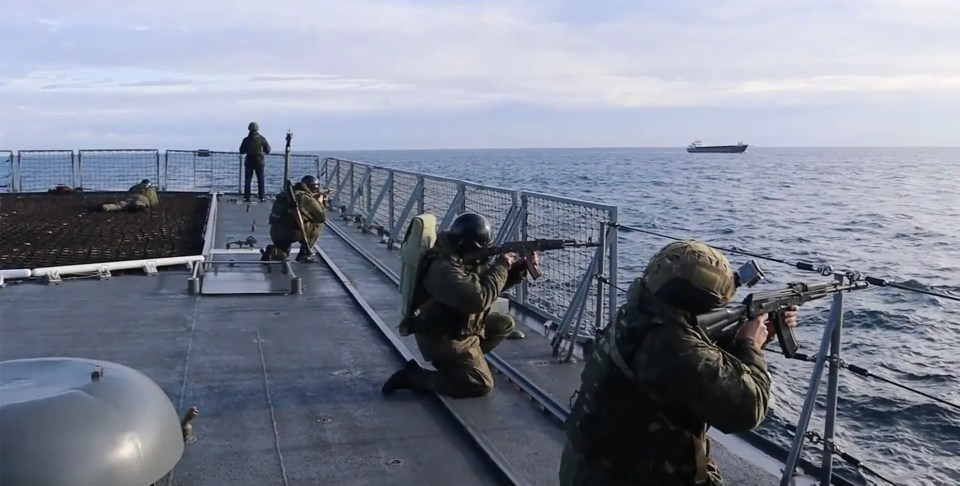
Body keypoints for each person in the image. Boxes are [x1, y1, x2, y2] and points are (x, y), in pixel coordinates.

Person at [559, 240, 800, 486]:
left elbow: (698, 359)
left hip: (588, 467)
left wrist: (744, 338)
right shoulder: (674, 345)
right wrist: (750, 344)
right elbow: (749, 410)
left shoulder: (638, 315)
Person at [381, 212, 536, 398]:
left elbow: (487, 283)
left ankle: (465, 366)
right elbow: (478, 300)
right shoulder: (443, 268)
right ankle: (416, 377)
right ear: (469, 246)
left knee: (504, 323)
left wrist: (518, 268)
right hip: (441, 336)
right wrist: (502, 265)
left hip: (455, 323)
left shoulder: (459, 256)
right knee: (481, 385)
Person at [261, 175, 327, 263]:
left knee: (283, 254)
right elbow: (321, 217)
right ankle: (304, 254)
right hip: (293, 232)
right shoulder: (305, 197)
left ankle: (273, 251)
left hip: (276, 231)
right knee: (318, 224)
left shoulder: (283, 195)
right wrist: (319, 202)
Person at [239, 121, 271, 202]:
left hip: (249, 161)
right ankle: (262, 197)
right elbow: (268, 150)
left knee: (248, 180)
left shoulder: (246, 139)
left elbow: (241, 150)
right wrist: (262, 152)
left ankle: (247, 197)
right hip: (259, 161)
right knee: (260, 179)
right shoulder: (262, 139)